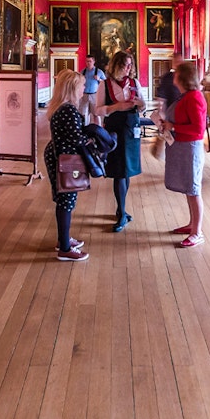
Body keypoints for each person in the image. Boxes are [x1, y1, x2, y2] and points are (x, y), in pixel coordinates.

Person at [93, 50, 143, 232]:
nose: (128, 69)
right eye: (124, 65)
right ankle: (121, 213)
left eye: (130, 65)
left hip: (131, 131)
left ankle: (121, 209)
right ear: (115, 66)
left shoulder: (135, 83)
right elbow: (97, 110)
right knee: (119, 172)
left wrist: (140, 105)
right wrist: (117, 107)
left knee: (127, 171)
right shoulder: (104, 85)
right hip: (114, 131)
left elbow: (142, 107)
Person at [161, 61, 207, 248]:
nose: (173, 75)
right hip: (182, 147)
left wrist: (173, 127)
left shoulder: (194, 97)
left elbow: (198, 129)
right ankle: (192, 224)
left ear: (183, 77)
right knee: (189, 189)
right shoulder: (185, 96)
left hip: (190, 149)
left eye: (176, 73)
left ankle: (197, 232)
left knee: (194, 190)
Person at [44, 69, 88, 261]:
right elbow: (77, 139)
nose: (84, 89)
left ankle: (64, 239)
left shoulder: (60, 107)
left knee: (64, 200)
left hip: (59, 156)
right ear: (72, 88)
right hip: (65, 160)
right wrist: (94, 139)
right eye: (82, 86)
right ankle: (64, 248)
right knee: (66, 201)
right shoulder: (68, 110)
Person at [150, 53, 184, 159]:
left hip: (183, 117)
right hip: (170, 117)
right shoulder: (167, 78)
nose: (179, 64)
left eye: (180, 61)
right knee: (172, 147)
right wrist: (162, 118)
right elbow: (161, 100)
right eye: (177, 61)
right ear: (173, 63)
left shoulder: (185, 78)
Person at [80, 55, 106, 125]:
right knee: (84, 114)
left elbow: (105, 83)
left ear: (94, 62)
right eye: (87, 61)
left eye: (90, 61)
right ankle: (85, 129)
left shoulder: (99, 72)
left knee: (96, 114)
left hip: (94, 95)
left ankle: (98, 130)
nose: (88, 63)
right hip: (84, 95)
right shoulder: (83, 71)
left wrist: (99, 79)